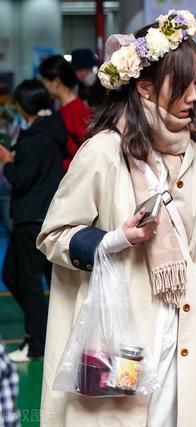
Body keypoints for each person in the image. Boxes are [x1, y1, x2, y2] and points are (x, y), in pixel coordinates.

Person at [36, 11, 196, 425]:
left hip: (183, 330)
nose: (194, 95)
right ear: (144, 85)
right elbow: (53, 235)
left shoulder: (195, 156)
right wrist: (114, 240)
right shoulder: (104, 150)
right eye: (182, 85)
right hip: (118, 332)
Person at [0, 80, 65, 363]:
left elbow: (21, 178)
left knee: (26, 280)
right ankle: (43, 333)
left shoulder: (34, 138)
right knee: (20, 276)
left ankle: (37, 341)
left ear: (23, 106)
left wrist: (6, 161)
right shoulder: (51, 131)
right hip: (44, 214)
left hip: (31, 217)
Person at [39, 55, 92, 172]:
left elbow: (88, 151)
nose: (44, 87)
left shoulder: (76, 110)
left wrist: (61, 164)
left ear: (56, 82)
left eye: (45, 82)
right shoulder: (67, 107)